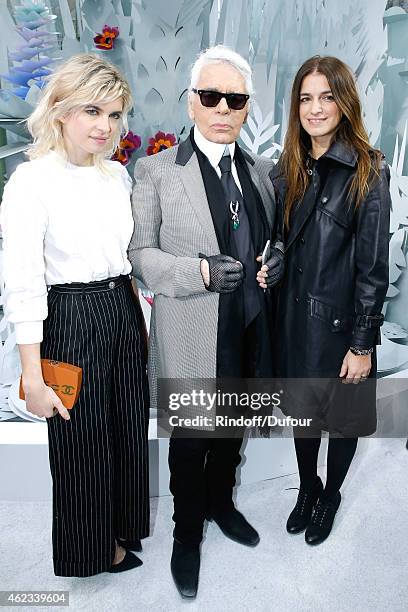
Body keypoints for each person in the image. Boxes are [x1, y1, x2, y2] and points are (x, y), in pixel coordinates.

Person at [129, 45, 283, 599]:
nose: (222, 108)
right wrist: (198, 271)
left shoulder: (262, 173)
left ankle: (221, 504)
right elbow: (139, 255)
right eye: (211, 96)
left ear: (246, 108)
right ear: (192, 102)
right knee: (191, 442)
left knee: (231, 430)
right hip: (193, 333)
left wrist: (277, 253)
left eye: (234, 99)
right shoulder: (156, 171)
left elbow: (272, 235)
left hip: (248, 329)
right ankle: (186, 535)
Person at [0, 54, 150, 576]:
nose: (105, 127)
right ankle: (91, 552)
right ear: (60, 110)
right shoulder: (30, 182)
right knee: (80, 441)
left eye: (114, 115)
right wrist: (32, 374)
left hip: (122, 310)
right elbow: (21, 283)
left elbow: (130, 257)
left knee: (127, 427)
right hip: (67, 317)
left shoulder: (118, 177)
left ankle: (120, 529)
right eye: (92, 111)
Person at [272, 55, 391, 545]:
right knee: (304, 415)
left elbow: (373, 269)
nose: (315, 108)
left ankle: (332, 492)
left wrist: (362, 344)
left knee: (341, 421)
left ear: (344, 103)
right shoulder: (288, 169)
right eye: (305, 98)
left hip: (341, 328)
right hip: (294, 322)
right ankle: (307, 486)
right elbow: (280, 238)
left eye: (326, 97)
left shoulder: (368, 169)